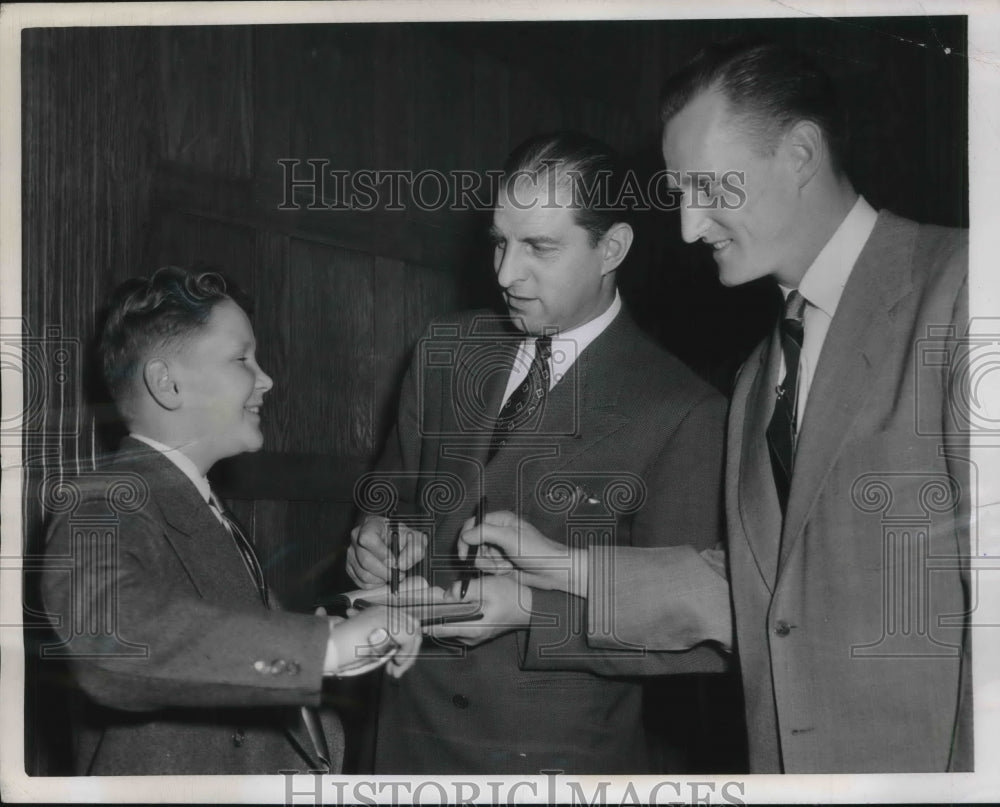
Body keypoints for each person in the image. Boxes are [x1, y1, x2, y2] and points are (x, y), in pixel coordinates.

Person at [460, 39, 972, 774]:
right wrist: (563, 568)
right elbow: (752, 594)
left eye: (707, 188)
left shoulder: (964, 288)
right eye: (680, 194)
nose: (690, 226)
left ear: (800, 155)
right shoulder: (760, 372)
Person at [345, 131, 730, 773]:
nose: (505, 274)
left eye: (539, 247)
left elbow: (694, 636)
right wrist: (377, 535)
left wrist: (529, 615)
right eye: (500, 241)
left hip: (550, 761)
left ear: (612, 248)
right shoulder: (445, 350)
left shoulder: (684, 410)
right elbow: (396, 492)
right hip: (403, 735)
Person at [40, 266, 421, 775]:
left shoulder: (200, 505)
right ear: (167, 383)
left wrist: (345, 619)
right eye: (242, 358)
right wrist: (323, 648)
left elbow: (221, 632)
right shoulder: (102, 498)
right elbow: (110, 639)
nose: (266, 379)